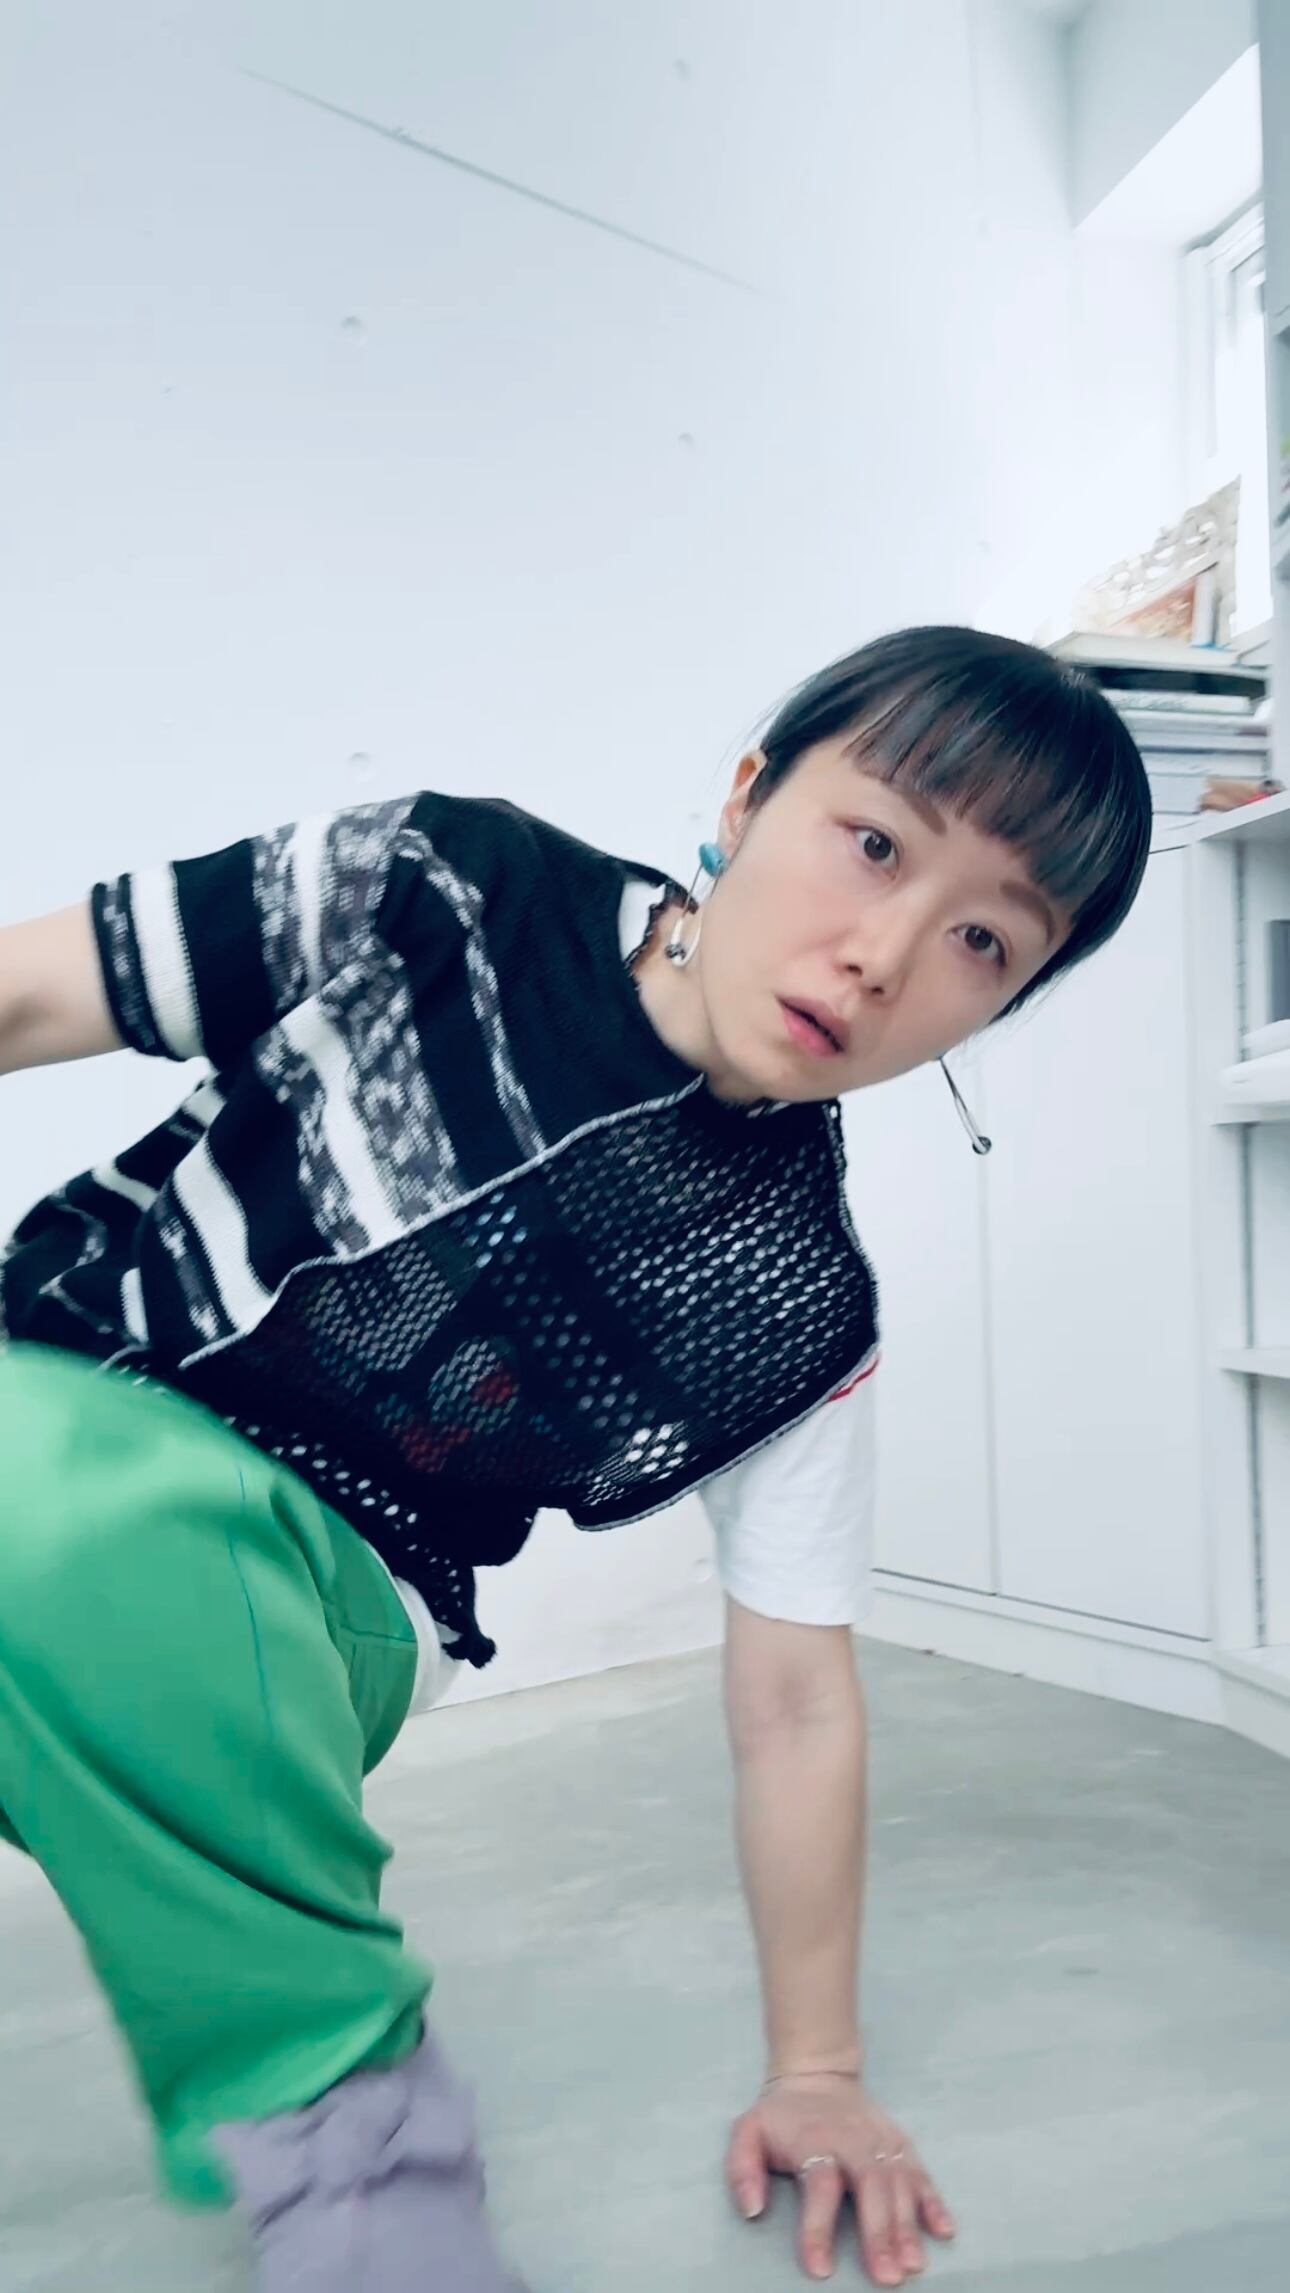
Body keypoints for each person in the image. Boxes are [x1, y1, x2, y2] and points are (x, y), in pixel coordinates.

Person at [0, 625, 1151, 2291]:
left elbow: (795, 1698)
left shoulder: (790, 1303)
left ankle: (358, 2145)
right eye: (872, 842)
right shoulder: (434, 885)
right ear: (747, 797)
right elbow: (34, 989)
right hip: (47, 1407)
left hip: (311, 1600)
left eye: (984, 938)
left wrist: (817, 2066)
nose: (883, 953)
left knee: (45, 1486)